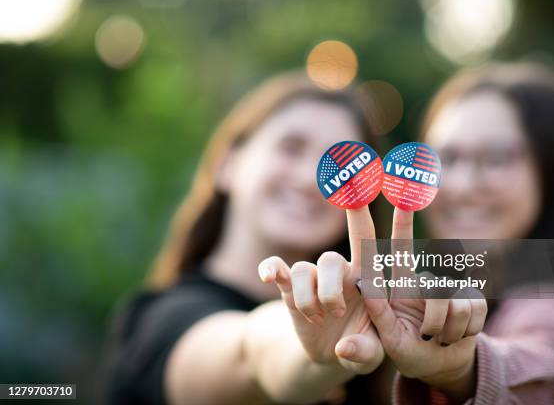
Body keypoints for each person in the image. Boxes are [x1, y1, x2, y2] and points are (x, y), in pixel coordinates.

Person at [267, 61, 554, 405]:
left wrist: (468, 371)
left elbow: (553, 371)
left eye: (495, 158)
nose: (462, 186)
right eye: (444, 158)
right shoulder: (419, 296)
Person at [99, 71, 397, 405]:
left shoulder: (373, 341)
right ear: (228, 163)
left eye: (343, 164)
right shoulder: (160, 321)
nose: (308, 179)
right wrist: (311, 355)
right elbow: (251, 353)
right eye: (290, 148)